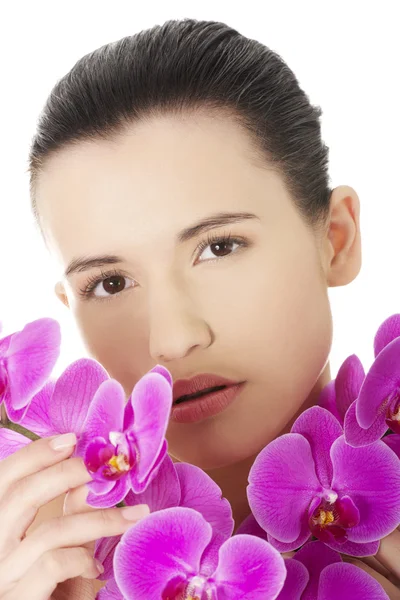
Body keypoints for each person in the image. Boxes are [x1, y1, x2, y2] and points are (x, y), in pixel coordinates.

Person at [1, 17, 399, 599]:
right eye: (110, 283)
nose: (172, 338)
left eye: (219, 247)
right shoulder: (38, 563)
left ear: (335, 239)